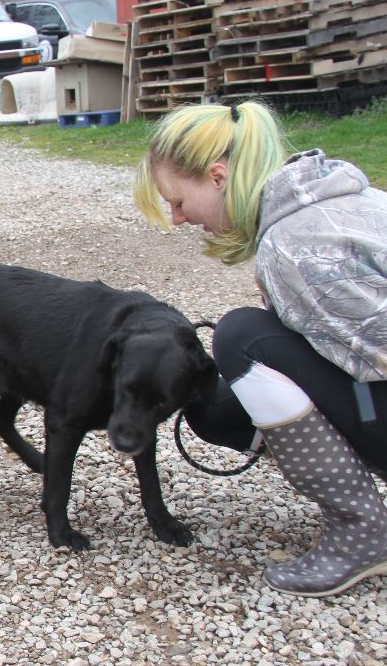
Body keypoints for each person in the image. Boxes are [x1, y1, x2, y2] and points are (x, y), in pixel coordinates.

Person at [132, 100, 387, 598]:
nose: (178, 218)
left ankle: (362, 533)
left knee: (241, 338)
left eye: (179, 200)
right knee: (218, 409)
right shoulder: (336, 199)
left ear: (218, 176)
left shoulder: (292, 244)